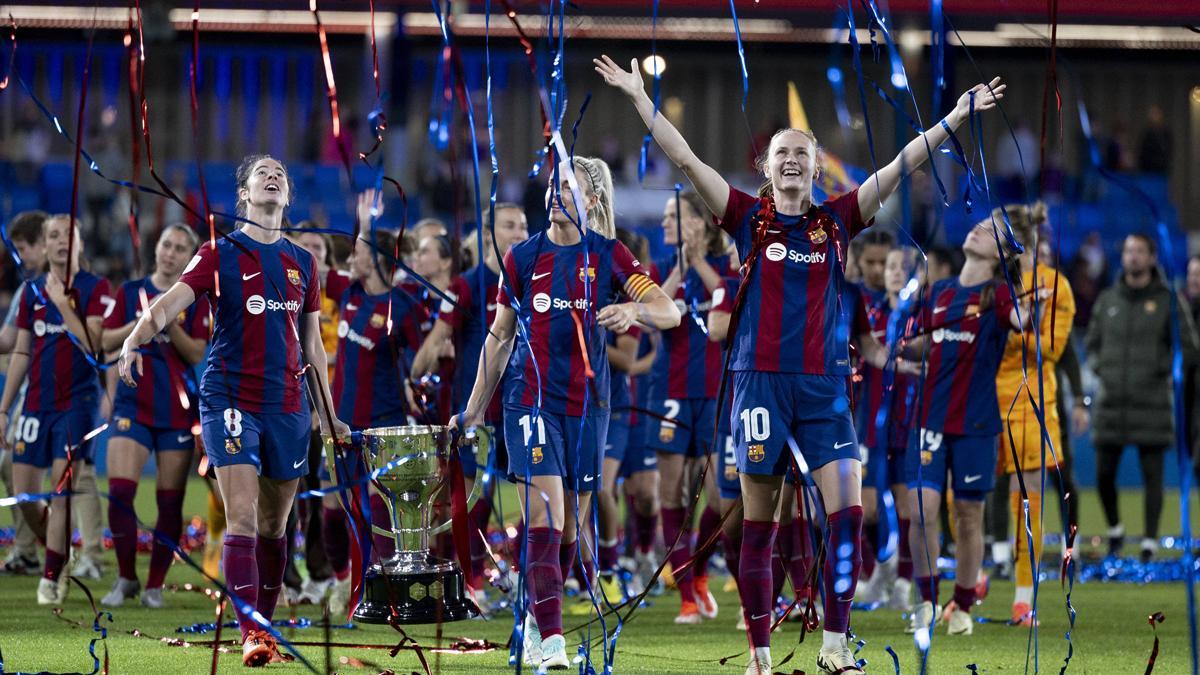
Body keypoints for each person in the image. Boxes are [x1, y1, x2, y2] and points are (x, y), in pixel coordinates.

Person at [596, 52, 1005, 675]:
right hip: (759, 388)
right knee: (757, 523)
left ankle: (836, 644)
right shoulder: (745, 219)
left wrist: (954, 116)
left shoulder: (838, 220)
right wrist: (636, 96)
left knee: (844, 514)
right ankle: (760, 650)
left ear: (816, 167)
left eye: (802, 154)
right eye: (782, 153)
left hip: (824, 389)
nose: (792, 161)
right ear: (766, 166)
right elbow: (685, 158)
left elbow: (902, 165)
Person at [116, 155, 349, 667]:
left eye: (281, 174)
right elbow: (170, 302)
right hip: (229, 398)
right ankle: (250, 634)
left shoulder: (303, 263)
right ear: (244, 193)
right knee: (241, 516)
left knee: (273, 526)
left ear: (287, 196)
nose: (274, 177)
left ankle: (261, 629)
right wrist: (134, 339)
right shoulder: (218, 252)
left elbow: (313, 348)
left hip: (287, 407)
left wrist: (328, 415)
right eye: (263, 172)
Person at [453, 155, 680, 670]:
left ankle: (534, 619)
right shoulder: (522, 258)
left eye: (568, 188)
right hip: (529, 400)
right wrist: (471, 411)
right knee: (545, 514)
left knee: (572, 530)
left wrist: (633, 309)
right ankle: (553, 643)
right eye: (554, 186)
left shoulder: (610, 256)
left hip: (589, 407)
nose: (556, 195)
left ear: (592, 201)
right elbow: (499, 337)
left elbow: (670, 311)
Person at [903, 211, 1036, 637]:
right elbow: (917, 342)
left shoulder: (998, 293)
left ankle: (960, 604)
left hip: (977, 425)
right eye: (978, 223)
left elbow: (1020, 322)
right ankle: (925, 600)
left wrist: (1031, 296)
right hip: (929, 419)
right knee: (921, 512)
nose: (978, 227)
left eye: (992, 230)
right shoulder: (938, 291)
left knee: (967, 517)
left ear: (1001, 254)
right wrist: (897, 343)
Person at [412, 204, 529, 593]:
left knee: (538, 495)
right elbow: (435, 342)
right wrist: (419, 372)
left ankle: (529, 577)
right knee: (476, 498)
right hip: (477, 410)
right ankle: (470, 582)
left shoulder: (533, 278)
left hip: (524, 404)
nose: (518, 232)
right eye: (509, 225)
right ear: (488, 233)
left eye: (523, 225)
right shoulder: (467, 285)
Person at [0, 214, 112, 605]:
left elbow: (94, 345)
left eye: (69, 234)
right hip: (34, 407)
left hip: (76, 407)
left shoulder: (96, 289)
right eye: (53, 235)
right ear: (43, 245)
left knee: (61, 493)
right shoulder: (30, 292)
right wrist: (3, 408)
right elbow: (20, 351)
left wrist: (65, 308)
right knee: (26, 494)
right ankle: (58, 549)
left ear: (80, 242)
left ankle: (51, 575)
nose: (62, 241)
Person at [99, 223, 209, 608]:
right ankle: (126, 576)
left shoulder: (195, 299)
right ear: (156, 247)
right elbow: (105, 340)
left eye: (181, 248)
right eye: (166, 244)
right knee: (120, 494)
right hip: (132, 404)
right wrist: (144, 321)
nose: (171, 252)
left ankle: (154, 586)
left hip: (175, 411)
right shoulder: (129, 292)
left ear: (190, 256)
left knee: (169, 501)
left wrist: (167, 317)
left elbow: (196, 353)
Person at [644, 190, 739, 625]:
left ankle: (699, 570)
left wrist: (699, 258)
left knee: (722, 497)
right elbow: (651, 311)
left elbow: (728, 297)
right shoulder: (659, 270)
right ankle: (685, 594)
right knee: (672, 491)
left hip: (718, 391)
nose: (664, 222)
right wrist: (683, 262)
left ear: (699, 222)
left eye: (673, 216)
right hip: (669, 389)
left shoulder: (726, 268)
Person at [325, 225, 429, 613]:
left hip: (383, 424)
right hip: (340, 426)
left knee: (379, 509)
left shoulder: (403, 306)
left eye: (359, 251)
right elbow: (315, 266)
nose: (352, 257)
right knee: (336, 513)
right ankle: (345, 584)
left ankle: (381, 594)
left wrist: (420, 387)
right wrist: (362, 220)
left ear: (378, 259)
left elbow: (423, 360)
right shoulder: (346, 292)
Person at [1085, 233, 1198, 561]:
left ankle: (1149, 542)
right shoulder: (1108, 300)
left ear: (1151, 258)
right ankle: (1116, 531)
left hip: (1151, 403)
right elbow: (1091, 343)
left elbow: (1189, 348)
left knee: (1153, 477)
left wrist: (1161, 369)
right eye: (1128, 250)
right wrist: (1101, 368)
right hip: (1111, 403)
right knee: (1103, 476)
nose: (1132, 256)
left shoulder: (1168, 300)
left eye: (1139, 251)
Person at [990, 203, 1075, 626]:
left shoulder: (1054, 285)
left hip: (1029, 403)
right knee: (956, 498)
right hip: (977, 397)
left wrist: (1021, 322)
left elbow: (1051, 351)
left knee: (1029, 501)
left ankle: (1023, 599)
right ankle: (965, 588)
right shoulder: (985, 281)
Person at [854, 246, 919, 610]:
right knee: (869, 506)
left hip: (910, 419)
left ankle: (904, 583)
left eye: (902, 267)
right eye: (891, 266)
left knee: (908, 502)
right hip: (873, 420)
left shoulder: (918, 317)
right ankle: (882, 567)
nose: (894, 272)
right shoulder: (873, 312)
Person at [0, 210, 49, 576]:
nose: (18, 257)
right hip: (32, 390)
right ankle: (27, 550)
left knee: (74, 478)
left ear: (41, 244)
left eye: (21, 248)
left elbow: (11, 343)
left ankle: (66, 555)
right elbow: (10, 342)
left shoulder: (53, 286)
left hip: (52, 394)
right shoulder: (28, 286)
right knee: (12, 468)